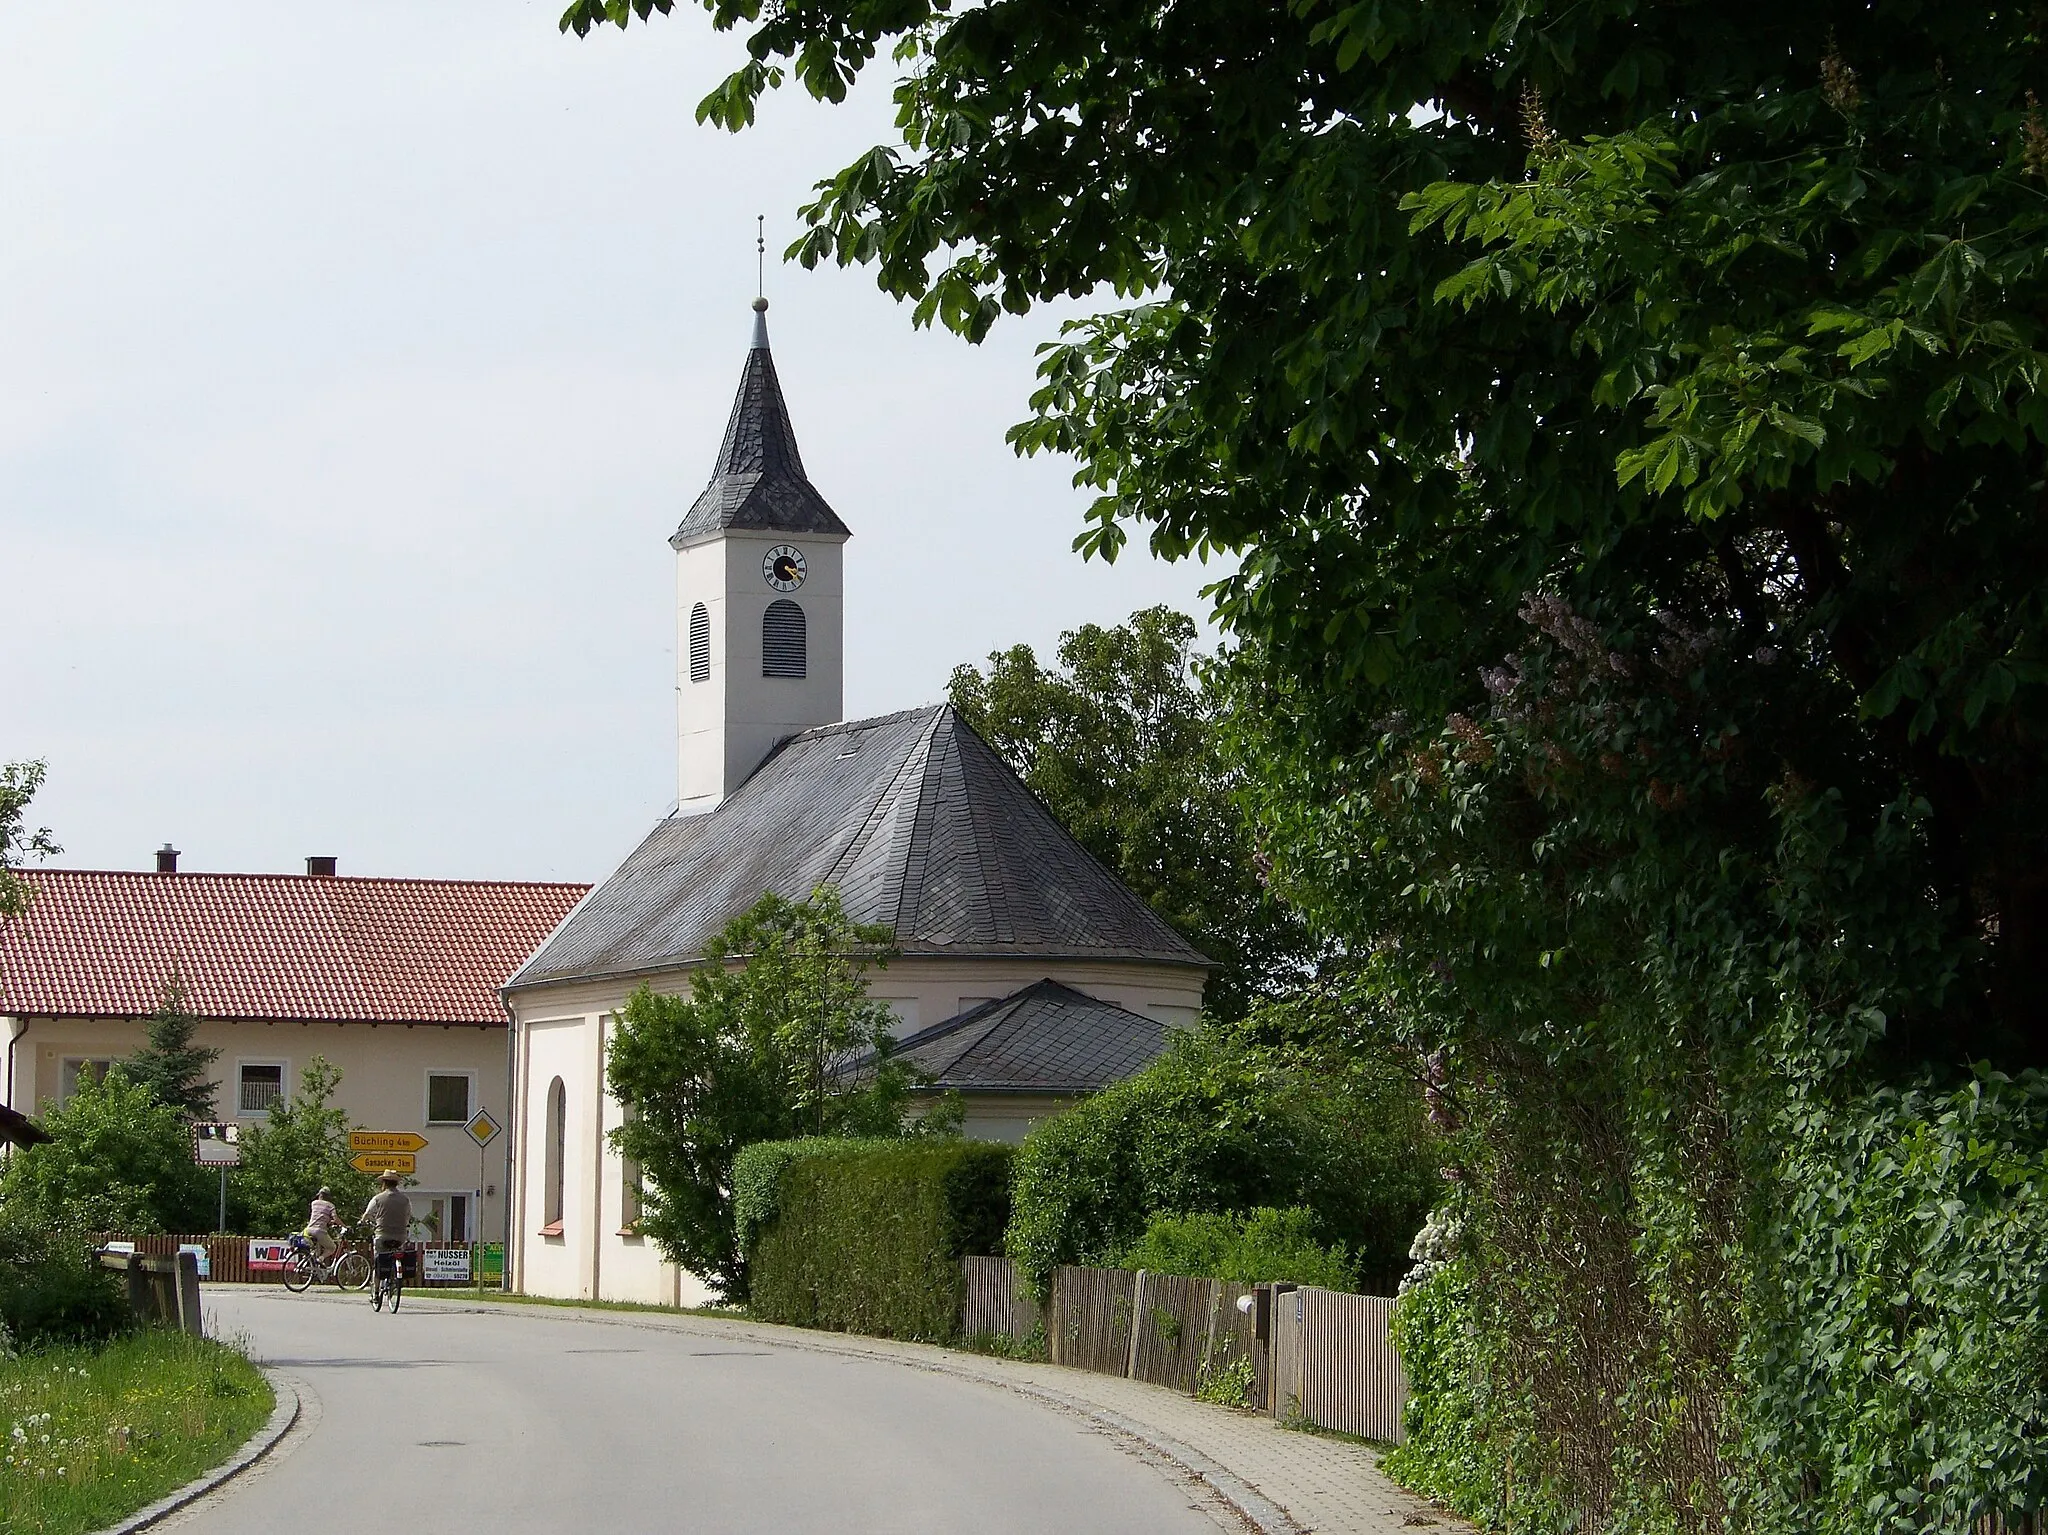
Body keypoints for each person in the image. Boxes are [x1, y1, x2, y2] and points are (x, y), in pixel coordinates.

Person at [360, 1170, 411, 1286]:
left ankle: (376, 1292)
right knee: (397, 1252)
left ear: (384, 1183)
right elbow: (408, 1216)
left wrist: (362, 1221)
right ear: (396, 1183)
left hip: (383, 1234)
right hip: (400, 1236)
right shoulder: (405, 1199)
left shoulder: (378, 1198)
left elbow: (367, 1213)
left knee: (378, 1261)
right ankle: (394, 1278)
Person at [304, 1186, 340, 1260]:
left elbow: (319, 1215)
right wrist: (344, 1226)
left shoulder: (313, 1203)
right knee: (332, 1247)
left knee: (315, 1251)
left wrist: (328, 1221)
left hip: (308, 1230)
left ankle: (314, 1265)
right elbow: (335, 1218)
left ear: (320, 1195)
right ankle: (320, 1259)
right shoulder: (330, 1206)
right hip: (319, 1231)